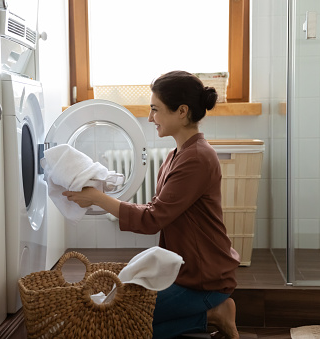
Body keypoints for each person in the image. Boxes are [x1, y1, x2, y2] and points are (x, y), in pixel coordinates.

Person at [63, 70, 240, 339]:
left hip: (204, 279)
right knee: (126, 321)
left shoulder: (197, 159)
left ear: (181, 111)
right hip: (186, 270)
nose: (149, 118)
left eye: (155, 110)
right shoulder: (176, 155)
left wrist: (98, 198)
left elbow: (152, 219)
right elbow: (157, 209)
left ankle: (212, 311)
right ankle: (209, 316)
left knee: (122, 320)